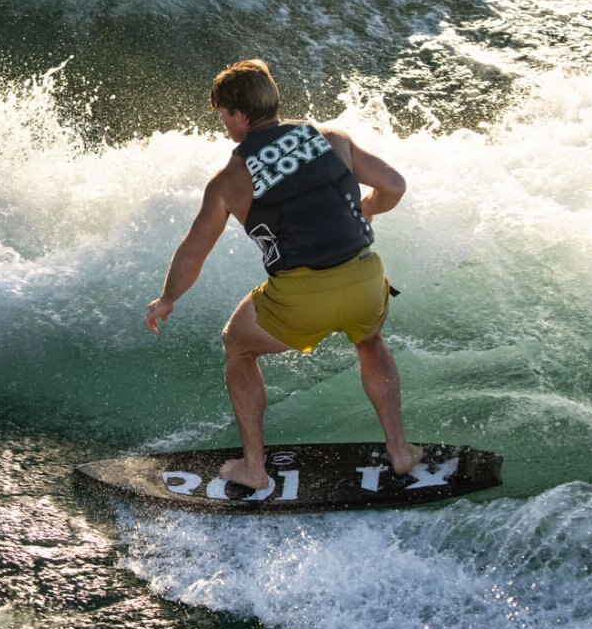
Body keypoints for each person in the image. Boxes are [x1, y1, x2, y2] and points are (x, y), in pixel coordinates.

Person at [143, 59, 423, 490]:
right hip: (367, 282)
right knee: (369, 341)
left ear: (239, 115)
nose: (223, 123)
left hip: (302, 299)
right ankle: (400, 452)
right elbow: (395, 185)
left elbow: (193, 253)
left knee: (237, 346)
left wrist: (167, 299)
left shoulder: (230, 180)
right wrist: (369, 207)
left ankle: (254, 468)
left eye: (222, 114)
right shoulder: (331, 138)